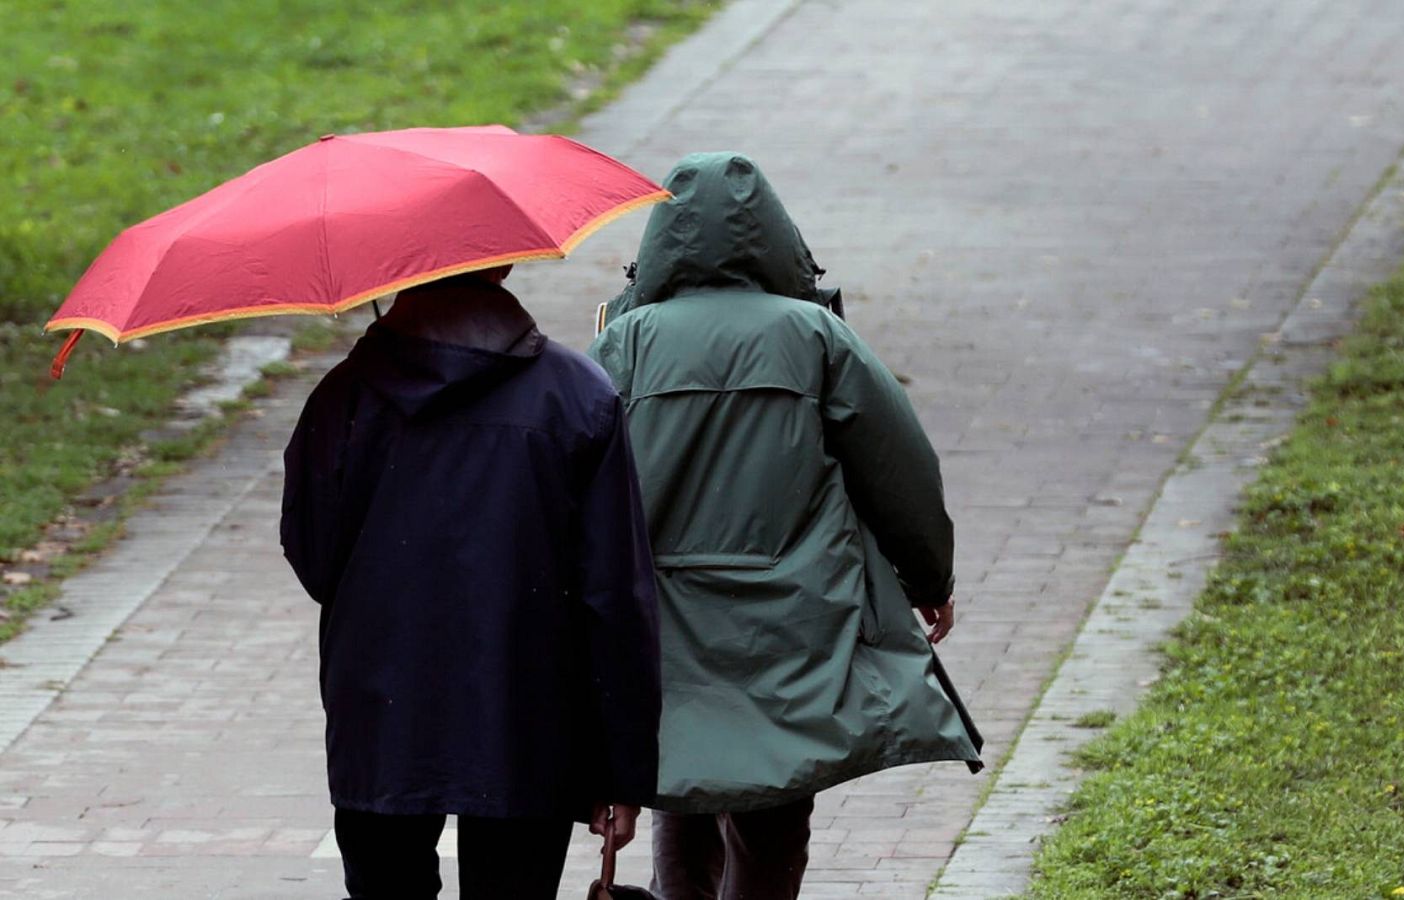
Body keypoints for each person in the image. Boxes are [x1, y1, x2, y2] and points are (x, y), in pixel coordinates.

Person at [589, 153, 983, 900]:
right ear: (777, 238)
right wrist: (929, 578)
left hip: (667, 620)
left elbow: (581, 487)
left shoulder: (623, 344)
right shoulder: (814, 336)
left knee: (683, 779)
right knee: (775, 801)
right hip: (794, 615)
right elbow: (900, 466)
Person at [280, 265, 661, 899]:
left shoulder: (344, 395)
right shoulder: (578, 396)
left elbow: (316, 560)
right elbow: (615, 596)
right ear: (505, 262)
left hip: (381, 708)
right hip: (529, 711)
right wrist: (621, 769)